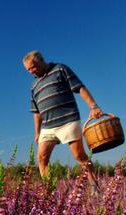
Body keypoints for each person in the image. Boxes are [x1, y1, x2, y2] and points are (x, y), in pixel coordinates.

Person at [22, 50, 101, 191]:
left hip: (68, 119)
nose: (30, 71)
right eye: (28, 69)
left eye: (32, 67)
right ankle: (48, 192)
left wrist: (93, 106)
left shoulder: (60, 69)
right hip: (47, 127)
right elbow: (36, 111)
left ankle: (94, 186)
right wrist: (37, 132)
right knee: (41, 159)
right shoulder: (33, 86)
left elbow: (80, 87)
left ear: (41, 60)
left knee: (80, 156)